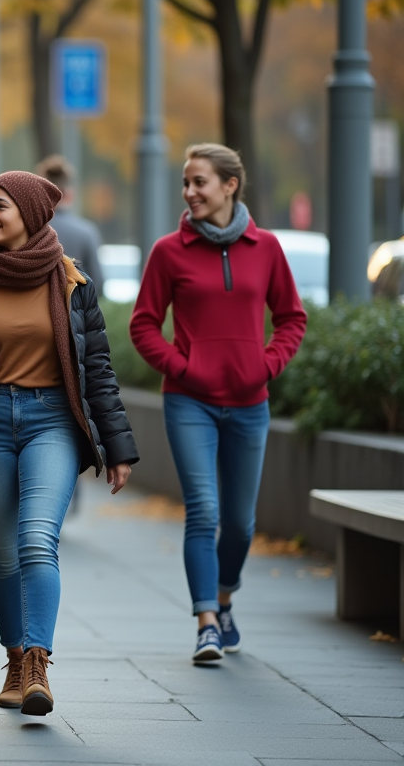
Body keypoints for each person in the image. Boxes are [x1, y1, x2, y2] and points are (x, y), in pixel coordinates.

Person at [0, 171, 138, 716]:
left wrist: (118, 446)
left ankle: (38, 662)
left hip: (52, 422)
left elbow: (98, 370)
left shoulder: (72, 283)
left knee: (37, 539)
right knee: (3, 554)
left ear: (32, 214)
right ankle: (15, 658)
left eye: (1, 206)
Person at [130, 143, 306, 663]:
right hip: (189, 402)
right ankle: (206, 621)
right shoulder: (169, 251)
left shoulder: (266, 248)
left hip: (250, 404)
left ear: (230, 185)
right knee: (203, 511)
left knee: (241, 523)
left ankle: (225, 597)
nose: (189, 192)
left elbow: (291, 318)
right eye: (186, 183)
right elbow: (144, 325)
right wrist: (183, 368)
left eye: (199, 182)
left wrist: (265, 366)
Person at [35, 155, 102, 283]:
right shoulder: (86, 232)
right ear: (69, 194)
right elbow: (97, 281)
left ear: (41, 194)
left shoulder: (29, 229)